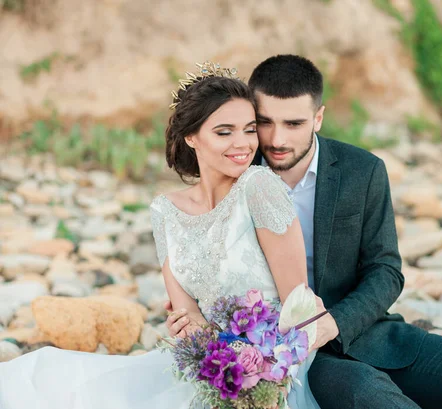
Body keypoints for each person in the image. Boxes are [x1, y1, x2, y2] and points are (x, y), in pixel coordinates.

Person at [166, 55, 442, 409]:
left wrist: (334, 323)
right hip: (286, 357)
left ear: (318, 117)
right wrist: (192, 318)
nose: (277, 139)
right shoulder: (235, 177)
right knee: (370, 393)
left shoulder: (361, 171)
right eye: (265, 122)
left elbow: (385, 270)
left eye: (294, 123)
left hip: (366, 334)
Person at [0, 63, 320, 409]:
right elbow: (185, 315)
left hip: (275, 371)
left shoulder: (260, 187)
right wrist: (213, 349)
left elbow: (299, 308)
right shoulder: (165, 211)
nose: (242, 144)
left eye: (249, 130)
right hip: (209, 366)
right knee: (52, 382)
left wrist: (263, 373)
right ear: (191, 136)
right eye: (224, 132)